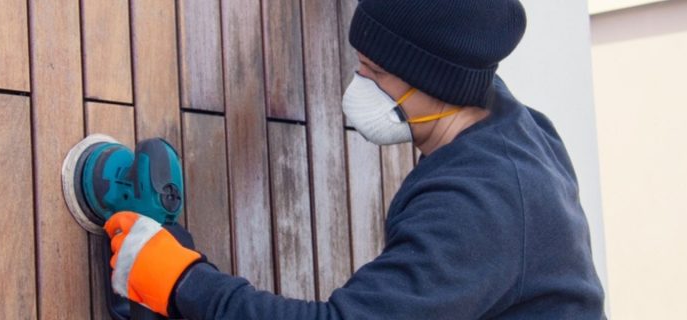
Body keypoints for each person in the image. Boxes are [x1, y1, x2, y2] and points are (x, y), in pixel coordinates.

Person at [104, 0, 606, 318]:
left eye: (375, 71)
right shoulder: (512, 124)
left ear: (432, 82)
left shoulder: (480, 204)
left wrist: (185, 283)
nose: (357, 85)